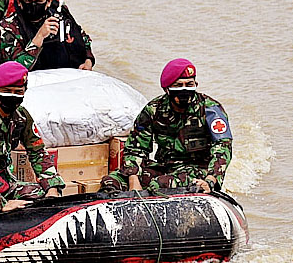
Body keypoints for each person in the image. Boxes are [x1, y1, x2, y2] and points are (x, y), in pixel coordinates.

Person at [100, 58, 233, 193]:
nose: (184, 90)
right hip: (165, 167)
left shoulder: (210, 109)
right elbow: (136, 149)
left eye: (189, 84)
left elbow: (223, 147)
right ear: (167, 89)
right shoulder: (154, 110)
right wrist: (133, 181)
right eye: (178, 85)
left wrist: (210, 180)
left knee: (159, 185)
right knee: (111, 181)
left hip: (198, 172)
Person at [0, 61, 65, 214]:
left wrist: (52, 188)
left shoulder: (21, 117)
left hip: (7, 184)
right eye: (7, 91)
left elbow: (38, 152)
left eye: (18, 91)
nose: (12, 96)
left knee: (44, 198)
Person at [0, 0, 94, 71]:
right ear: (20, 3)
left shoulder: (60, 16)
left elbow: (84, 39)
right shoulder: (7, 27)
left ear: (49, 1)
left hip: (65, 78)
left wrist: (88, 60)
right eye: (29, 2)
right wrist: (38, 38)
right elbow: (14, 69)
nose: (34, 6)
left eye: (39, 2)